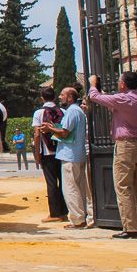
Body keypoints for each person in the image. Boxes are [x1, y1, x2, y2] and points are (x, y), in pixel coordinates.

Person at [88, 72, 137, 239]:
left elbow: (93, 96)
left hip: (126, 145)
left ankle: (131, 227)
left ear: (123, 84)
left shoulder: (122, 99)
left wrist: (93, 83)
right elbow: (110, 102)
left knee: (123, 186)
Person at [43, 87, 93, 229]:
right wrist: (55, 127)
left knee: (70, 188)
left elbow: (65, 133)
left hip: (70, 154)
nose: (60, 97)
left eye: (63, 95)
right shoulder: (78, 111)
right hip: (78, 154)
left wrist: (50, 129)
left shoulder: (71, 111)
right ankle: (83, 216)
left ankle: (77, 220)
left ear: (70, 97)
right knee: (79, 187)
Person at [32, 86, 69, 223]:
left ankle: (54, 213)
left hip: (47, 152)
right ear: (54, 97)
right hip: (61, 150)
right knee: (63, 182)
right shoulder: (63, 111)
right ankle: (64, 211)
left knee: (51, 183)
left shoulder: (39, 113)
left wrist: (37, 153)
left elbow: (37, 134)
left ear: (42, 98)